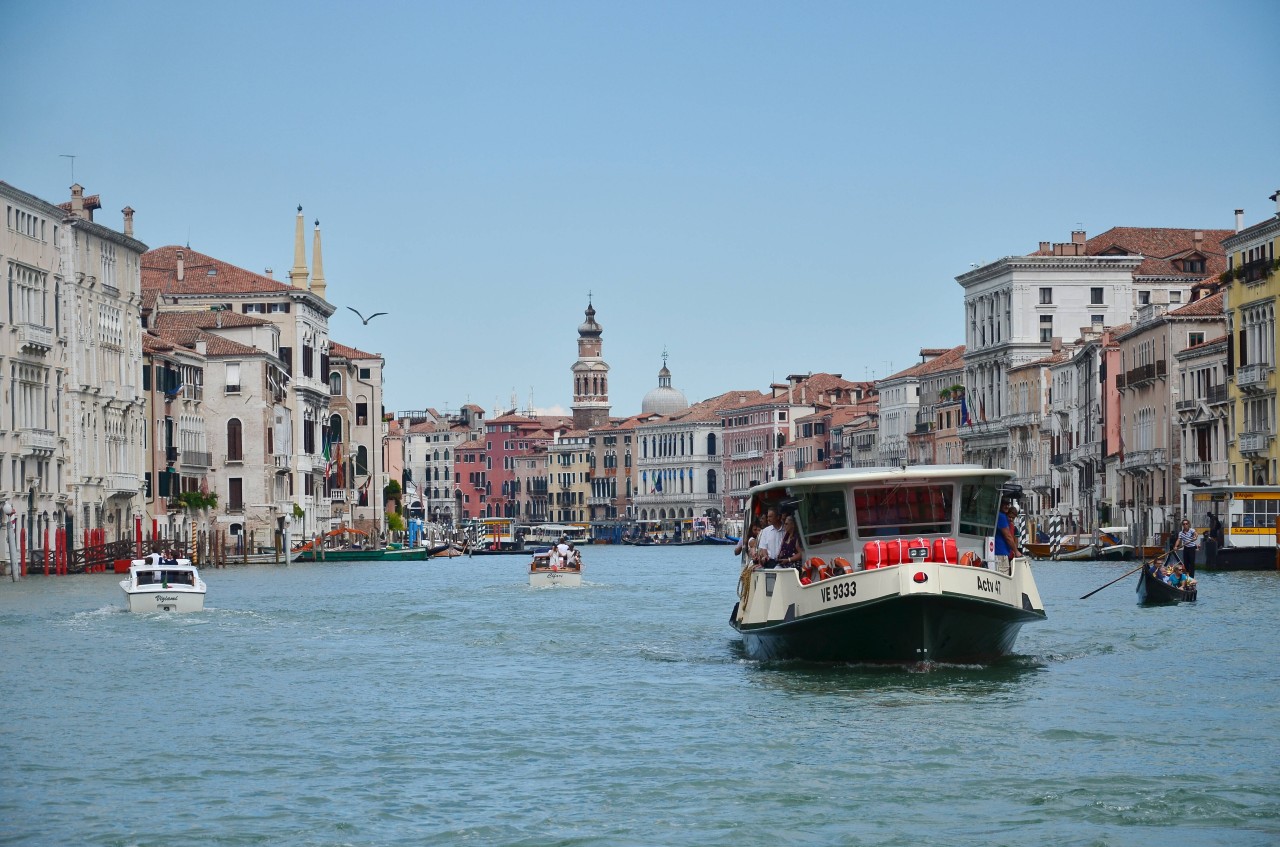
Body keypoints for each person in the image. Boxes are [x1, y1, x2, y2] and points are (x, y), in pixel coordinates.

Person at [994, 500, 1021, 575]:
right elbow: (1008, 537)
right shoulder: (1002, 517)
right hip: (1001, 553)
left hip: (1004, 553)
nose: (1006, 506)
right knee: (1003, 575)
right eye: (1004, 504)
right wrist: (1016, 551)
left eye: (1008, 504)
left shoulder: (1001, 517)